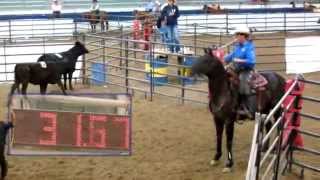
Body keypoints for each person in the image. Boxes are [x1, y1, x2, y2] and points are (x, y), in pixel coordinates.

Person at [224, 25, 256, 118]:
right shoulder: (237, 46)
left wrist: (240, 60)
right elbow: (230, 57)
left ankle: (247, 107)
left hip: (246, 70)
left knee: (243, 83)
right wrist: (221, 56)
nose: (236, 37)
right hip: (236, 70)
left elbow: (252, 61)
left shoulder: (249, 47)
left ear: (243, 36)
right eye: (236, 35)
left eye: (237, 35)